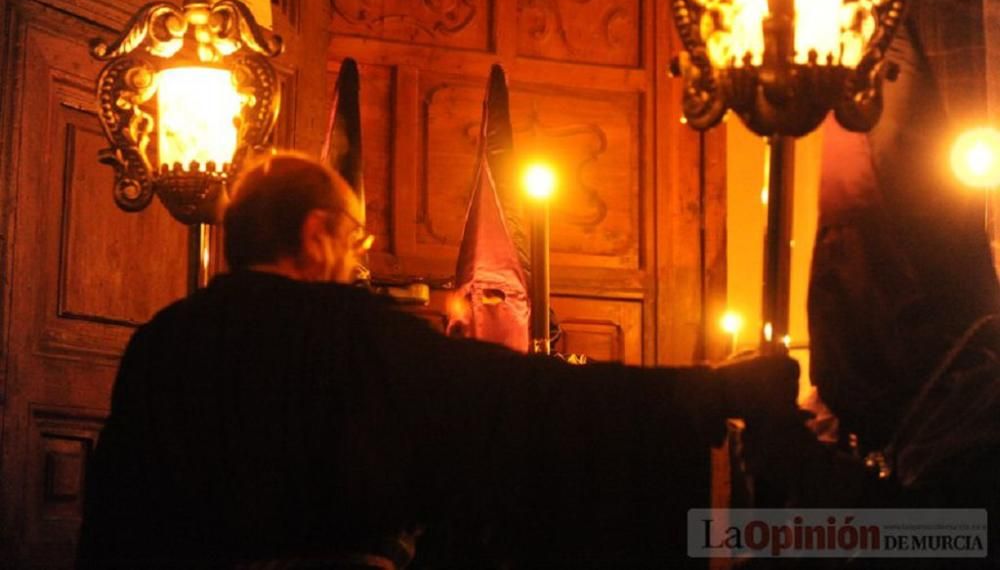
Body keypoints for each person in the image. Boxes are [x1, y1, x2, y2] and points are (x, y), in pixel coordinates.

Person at [77, 152, 801, 569]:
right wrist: (707, 392)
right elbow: (528, 404)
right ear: (316, 232)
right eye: (356, 237)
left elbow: (112, 512)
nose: (359, 255)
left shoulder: (162, 341)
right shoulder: (351, 336)